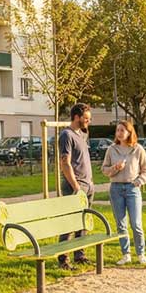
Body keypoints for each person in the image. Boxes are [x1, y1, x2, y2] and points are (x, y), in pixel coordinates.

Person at [101, 119, 146, 265]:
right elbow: (104, 170)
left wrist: (139, 181)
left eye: (122, 130)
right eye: (117, 130)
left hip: (132, 188)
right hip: (116, 188)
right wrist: (115, 168)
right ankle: (126, 254)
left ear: (129, 132)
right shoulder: (111, 149)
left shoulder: (138, 149)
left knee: (136, 223)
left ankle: (141, 253)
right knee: (121, 224)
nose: (119, 133)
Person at [56, 103, 94, 269]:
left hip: (87, 185)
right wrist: (76, 187)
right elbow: (65, 163)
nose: (88, 122)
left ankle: (80, 254)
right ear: (77, 117)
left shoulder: (82, 134)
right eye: (86, 118)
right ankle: (63, 259)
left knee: (82, 221)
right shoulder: (66, 135)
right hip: (75, 185)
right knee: (70, 223)